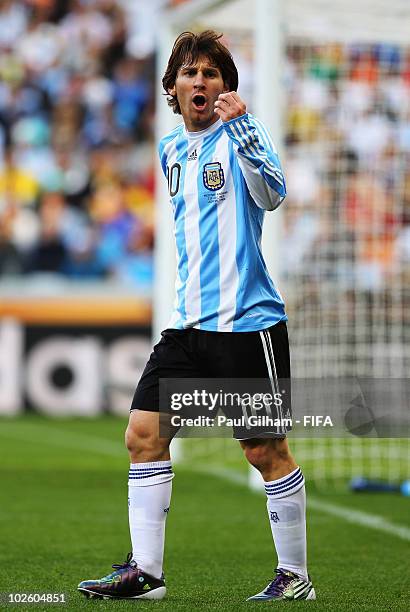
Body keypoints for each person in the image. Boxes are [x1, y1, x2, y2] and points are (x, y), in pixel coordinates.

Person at [78, 30, 315, 602]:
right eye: (191, 72)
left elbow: (274, 193)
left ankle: (294, 576)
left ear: (226, 87)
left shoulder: (238, 138)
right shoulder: (169, 151)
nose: (201, 81)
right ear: (173, 87)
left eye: (212, 73)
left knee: (264, 451)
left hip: (247, 324)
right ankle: (147, 573)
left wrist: (245, 126)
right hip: (187, 327)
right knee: (142, 434)